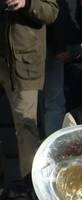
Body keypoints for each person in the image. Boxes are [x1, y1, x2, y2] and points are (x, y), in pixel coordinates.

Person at [0, 0, 56, 175]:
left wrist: (26, 3)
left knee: (26, 127)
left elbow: (51, 12)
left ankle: (29, 187)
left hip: (22, 63)